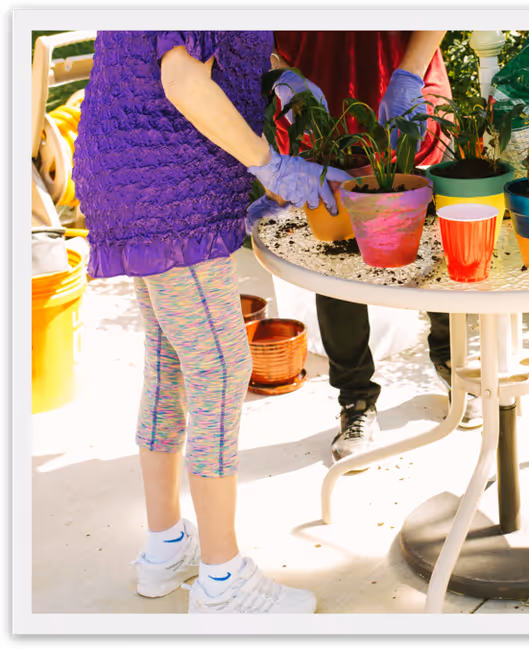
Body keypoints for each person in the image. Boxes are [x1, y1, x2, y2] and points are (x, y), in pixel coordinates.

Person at [72, 31, 346, 614]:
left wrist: (277, 75)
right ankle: (224, 582)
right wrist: (269, 164)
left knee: (170, 358)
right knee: (221, 369)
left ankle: (165, 545)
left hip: (127, 174)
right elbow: (183, 79)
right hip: (165, 185)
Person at [265, 31, 484, 471]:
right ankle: (356, 401)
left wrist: (409, 72)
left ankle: (456, 364)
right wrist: (280, 73)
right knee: (335, 254)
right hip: (317, 85)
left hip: (408, 68)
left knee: (438, 240)